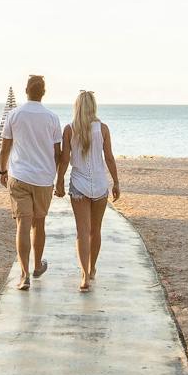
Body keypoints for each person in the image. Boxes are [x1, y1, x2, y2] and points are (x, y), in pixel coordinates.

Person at [0, 73, 64, 291]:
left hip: (20, 176)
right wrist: (53, 175)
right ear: (43, 93)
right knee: (39, 224)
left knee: (22, 225)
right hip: (43, 179)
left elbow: (6, 146)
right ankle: (37, 267)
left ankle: (24, 275)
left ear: (26, 91)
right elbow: (58, 152)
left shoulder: (14, 114)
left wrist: (2, 170)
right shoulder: (52, 118)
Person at [55, 90, 120, 291]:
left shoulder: (69, 129)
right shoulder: (103, 129)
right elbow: (108, 157)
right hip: (100, 184)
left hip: (79, 184)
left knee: (82, 231)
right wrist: (116, 182)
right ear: (93, 107)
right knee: (95, 230)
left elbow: (65, 159)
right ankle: (91, 268)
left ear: (77, 107)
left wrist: (59, 182)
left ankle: (84, 276)